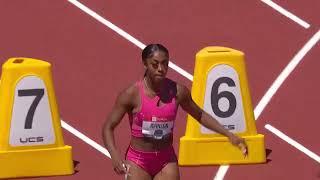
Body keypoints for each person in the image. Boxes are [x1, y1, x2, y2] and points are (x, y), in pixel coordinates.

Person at [102, 44, 247, 180]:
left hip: (166, 160)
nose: (161, 68)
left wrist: (229, 135)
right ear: (145, 64)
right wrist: (114, 155)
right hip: (138, 160)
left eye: (165, 63)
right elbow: (108, 127)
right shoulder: (131, 94)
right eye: (155, 64)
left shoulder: (178, 92)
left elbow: (200, 115)